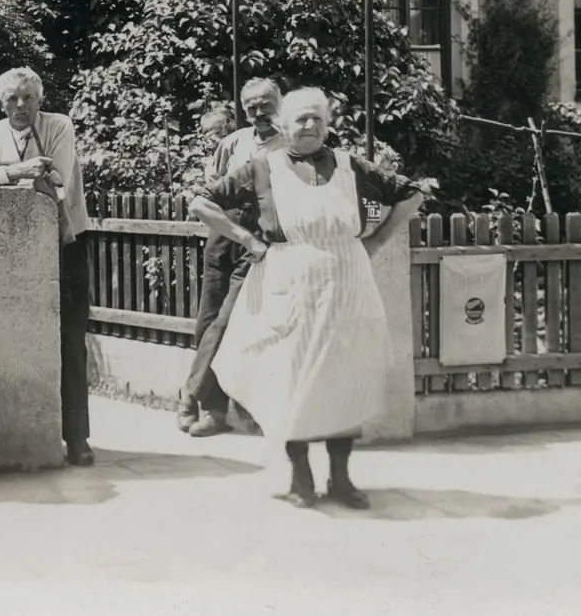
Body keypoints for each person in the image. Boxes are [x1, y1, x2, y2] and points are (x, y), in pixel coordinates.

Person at [188, 88, 426, 509]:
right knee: (293, 380)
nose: (311, 126)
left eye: (317, 118)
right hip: (288, 287)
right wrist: (247, 240)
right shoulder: (262, 167)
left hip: (346, 286)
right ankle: (300, 477)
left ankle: (340, 478)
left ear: (327, 121)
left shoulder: (349, 165)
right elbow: (202, 202)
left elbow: (410, 194)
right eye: (301, 119)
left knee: (343, 379)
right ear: (283, 124)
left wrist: (374, 243)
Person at [0, 67, 94, 466]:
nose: (20, 106)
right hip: (9, 255)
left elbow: (56, 179)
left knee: (70, 338)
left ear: (40, 99)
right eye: (12, 98)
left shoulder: (58, 126)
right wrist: (14, 171)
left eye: (28, 98)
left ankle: (77, 437)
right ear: (0, 101)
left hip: (66, 244)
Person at [177, 78, 287, 438]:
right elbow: (211, 188)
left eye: (266, 103)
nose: (259, 111)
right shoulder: (233, 142)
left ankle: (192, 396)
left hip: (262, 238)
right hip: (224, 235)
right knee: (207, 319)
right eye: (251, 105)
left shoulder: (291, 145)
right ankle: (214, 410)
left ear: (280, 102)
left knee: (228, 322)